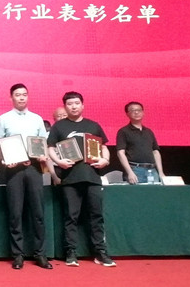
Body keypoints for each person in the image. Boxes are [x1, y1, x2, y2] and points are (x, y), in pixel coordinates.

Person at [47, 91, 116, 267]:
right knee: (71, 216)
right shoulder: (59, 127)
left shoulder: (93, 125)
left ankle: (100, 252)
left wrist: (105, 159)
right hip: (70, 178)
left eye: (77, 103)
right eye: (70, 104)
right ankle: (71, 252)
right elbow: (50, 148)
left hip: (92, 177)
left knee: (96, 215)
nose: (74, 106)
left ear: (82, 105)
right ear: (65, 106)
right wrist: (59, 162)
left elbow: (104, 147)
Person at [0, 84, 53, 270]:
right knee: (15, 213)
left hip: (34, 168)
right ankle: (17, 255)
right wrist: (6, 159)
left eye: (24, 95)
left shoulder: (36, 119)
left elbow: (43, 143)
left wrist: (43, 156)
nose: (21, 97)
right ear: (11, 98)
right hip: (13, 170)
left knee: (38, 212)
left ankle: (40, 254)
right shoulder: (4, 118)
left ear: (28, 97)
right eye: (18, 95)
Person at [116, 101, 166, 184]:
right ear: (127, 114)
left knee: (155, 192)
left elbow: (155, 152)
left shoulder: (149, 132)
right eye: (133, 110)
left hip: (152, 170)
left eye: (139, 110)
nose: (136, 112)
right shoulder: (123, 131)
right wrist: (130, 172)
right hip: (135, 170)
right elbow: (120, 153)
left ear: (143, 112)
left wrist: (161, 172)